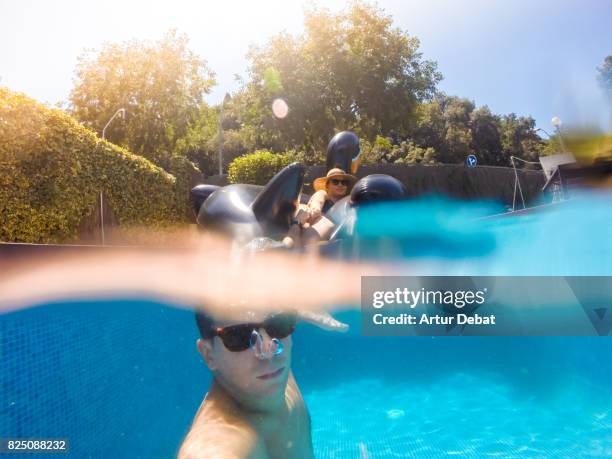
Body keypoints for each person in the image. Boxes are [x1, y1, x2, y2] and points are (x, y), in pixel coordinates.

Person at [178, 308, 314, 459]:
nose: (268, 349)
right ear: (208, 355)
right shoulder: (217, 446)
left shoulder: (270, 373)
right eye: (240, 336)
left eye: (278, 325)